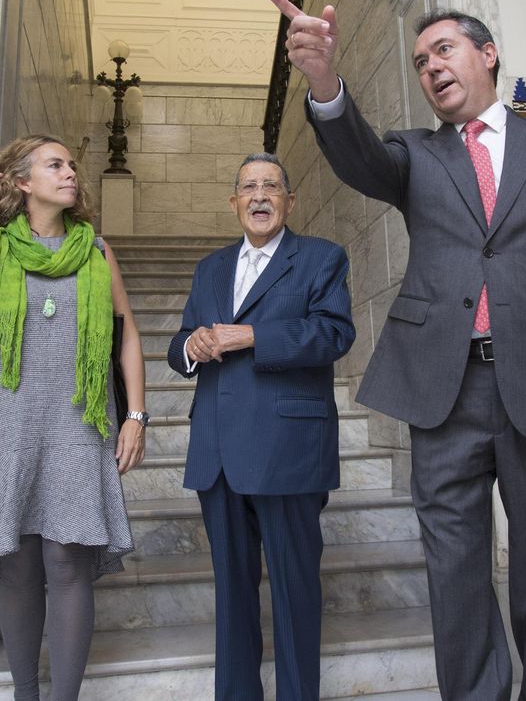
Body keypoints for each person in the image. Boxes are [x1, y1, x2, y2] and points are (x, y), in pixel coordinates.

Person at [268, 0, 526, 699]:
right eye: (420, 62)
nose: (431, 68)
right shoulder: (414, 155)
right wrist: (325, 82)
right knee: (456, 576)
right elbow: (357, 158)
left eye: (443, 50)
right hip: (443, 389)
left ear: (487, 53)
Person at [0, 134, 148, 701]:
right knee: (19, 567)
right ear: (24, 182)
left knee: (68, 564)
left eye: (71, 165)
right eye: (55, 165)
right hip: (10, 426)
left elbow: (126, 331)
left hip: (78, 425)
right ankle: (24, 694)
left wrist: (136, 414)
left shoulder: (96, 250)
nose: (70, 173)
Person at [167, 152, 355, 700]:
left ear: (289, 201)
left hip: (289, 452)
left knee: (296, 593)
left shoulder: (322, 259)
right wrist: (194, 346)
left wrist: (249, 337)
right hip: (217, 454)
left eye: (271, 186)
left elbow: (334, 335)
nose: (259, 196)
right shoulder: (210, 268)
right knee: (232, 595)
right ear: (233, 203)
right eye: (248, 187)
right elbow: (178, 346)